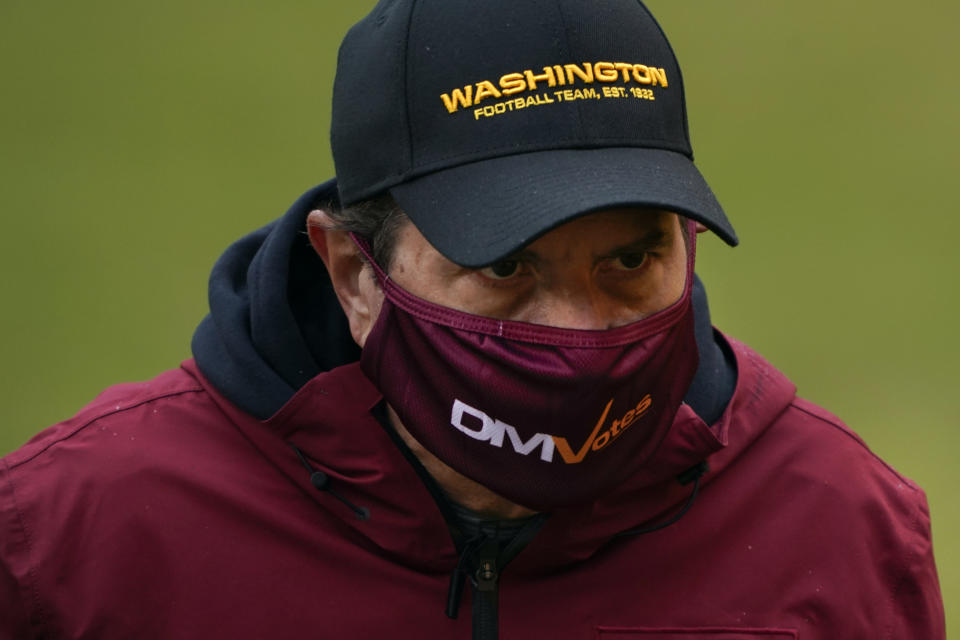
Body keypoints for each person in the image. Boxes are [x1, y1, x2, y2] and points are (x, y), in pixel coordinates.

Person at [0, 0, 945, 638]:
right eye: (503, 265)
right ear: (353, 276)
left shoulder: (837, 529)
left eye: (631, 260)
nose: (581, 330)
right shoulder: (72, 541)